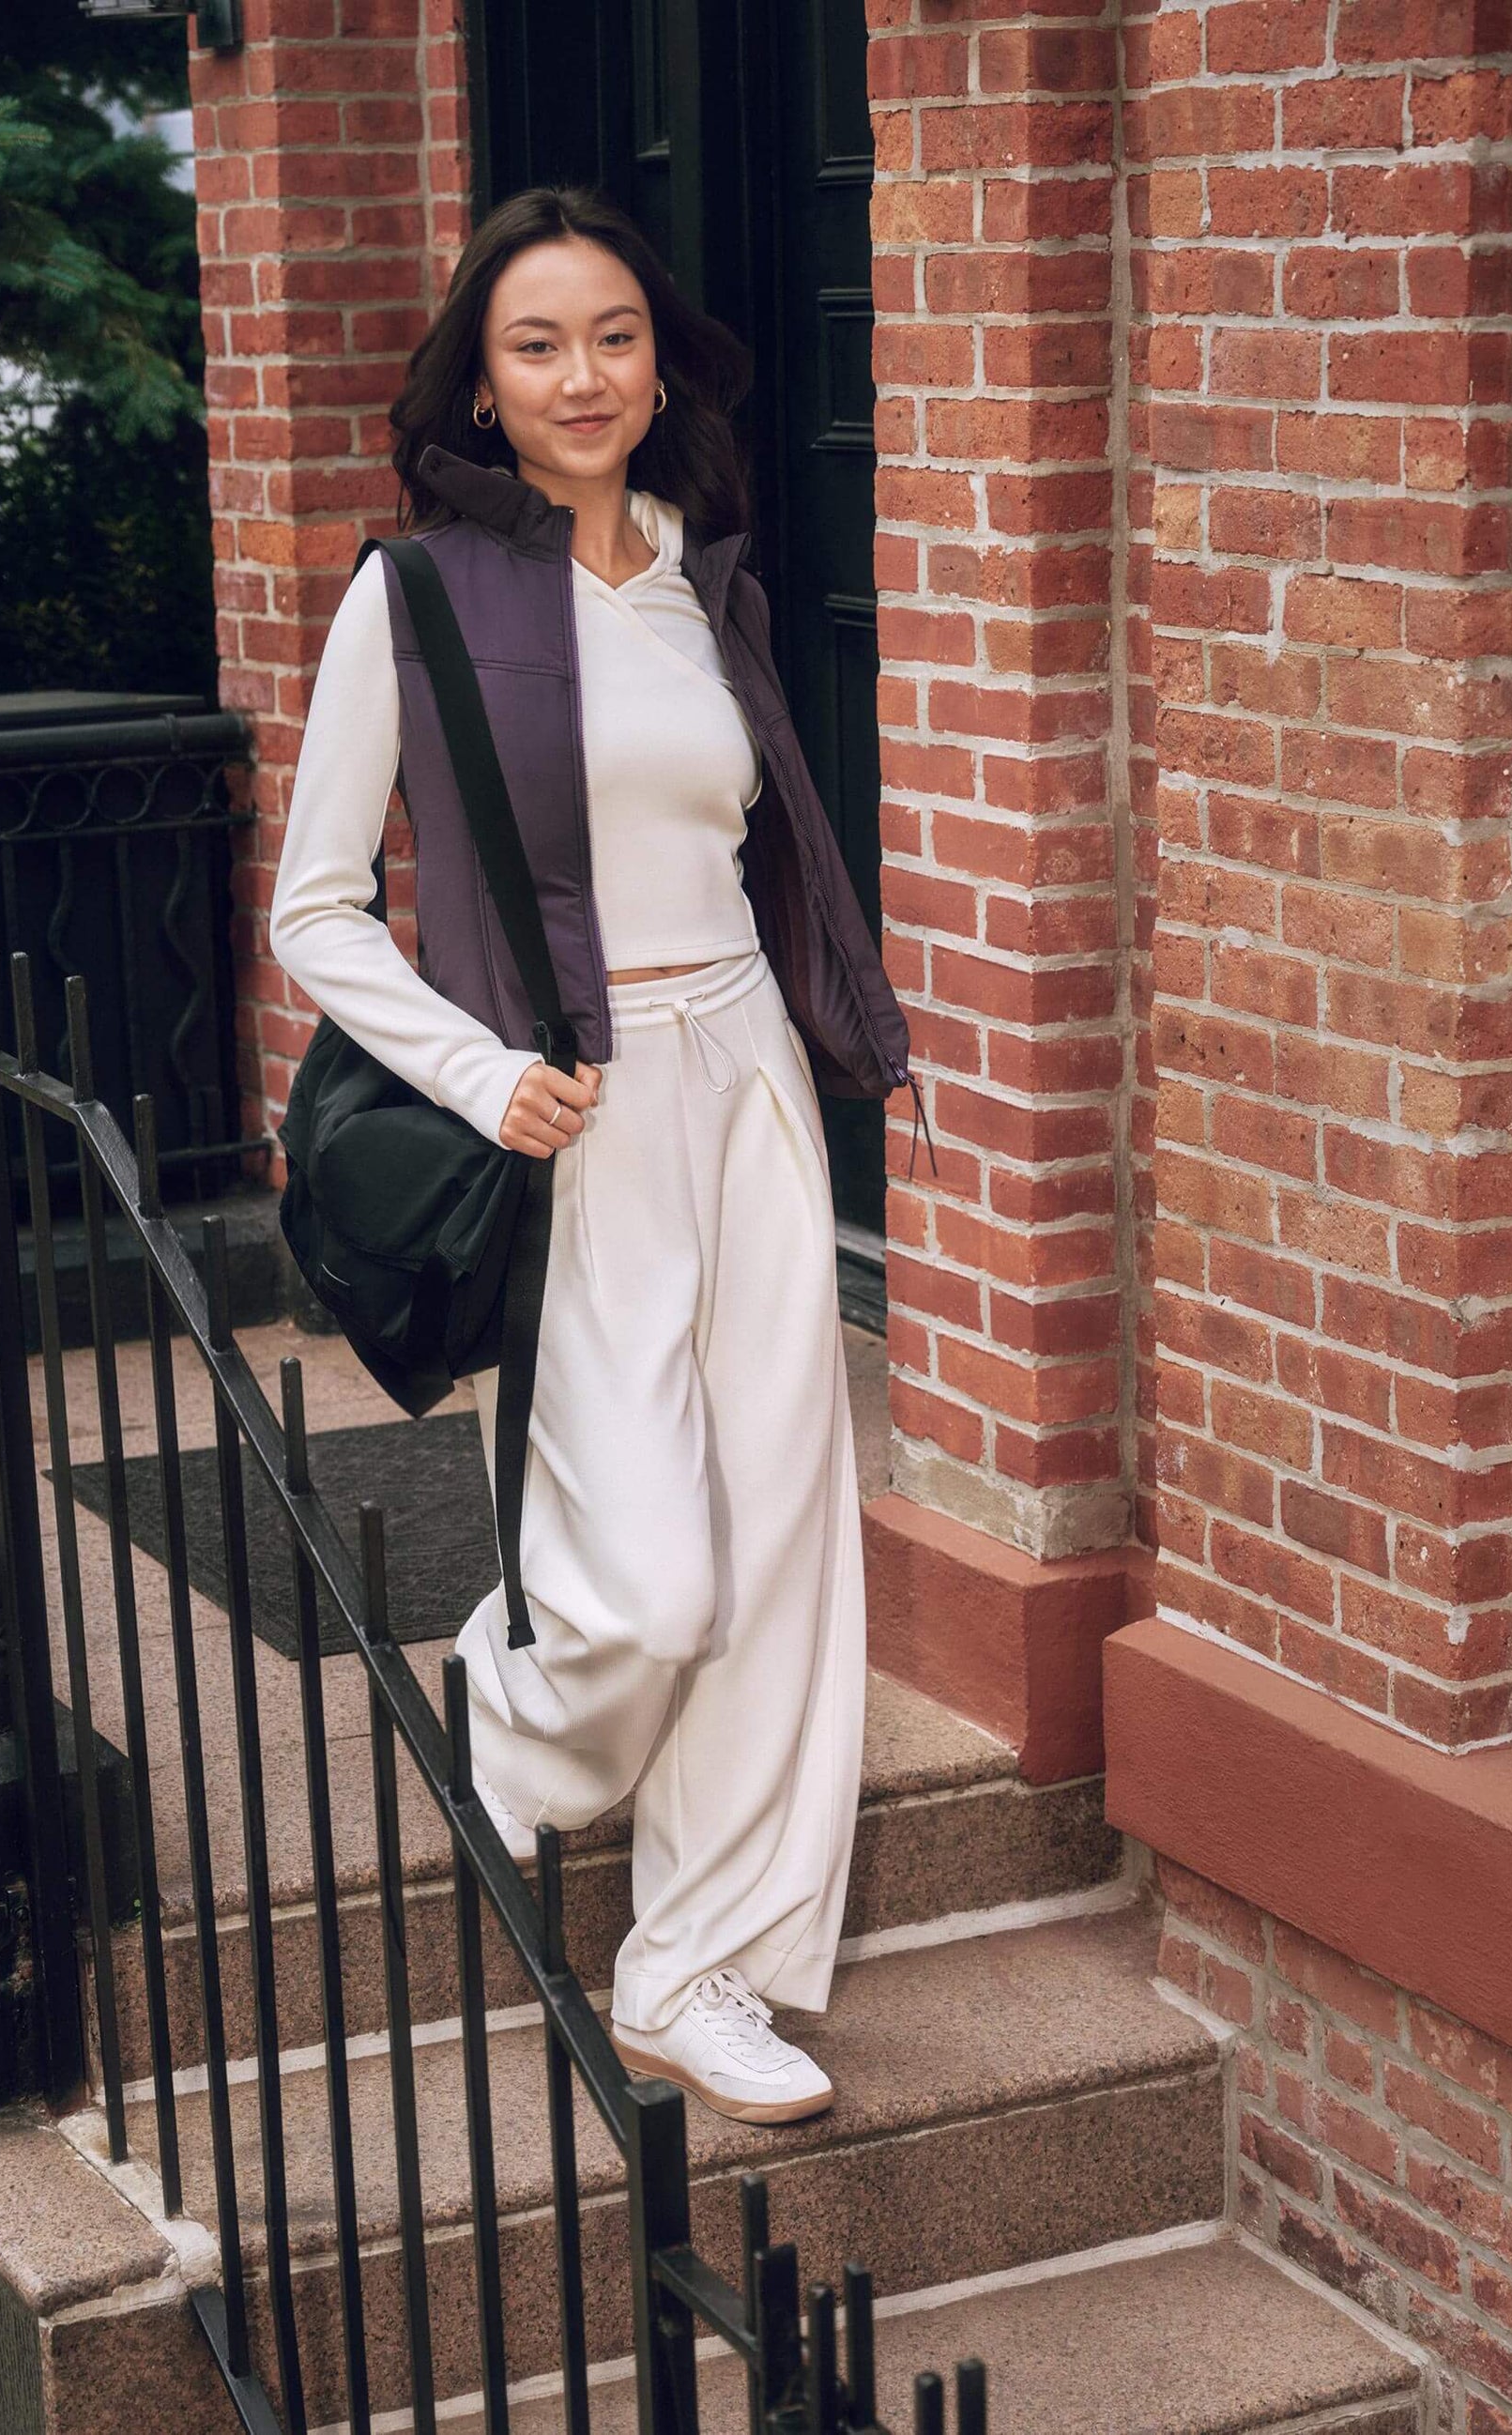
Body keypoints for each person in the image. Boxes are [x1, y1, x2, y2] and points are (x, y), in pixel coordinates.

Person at [268, 186, 912, 2126]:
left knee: (783, 1538)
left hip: (743, 1079)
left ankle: (692, 1966)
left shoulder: (700, 583)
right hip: (581, 1100)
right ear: (479, 375)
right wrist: (478, 1077)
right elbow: (314, 910)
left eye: (614, 335)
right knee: (643, 1583)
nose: (582, 376)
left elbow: (749, 847)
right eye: (538, 343)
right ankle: (517, 1707)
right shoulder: (417, 597)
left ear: (661, 362)